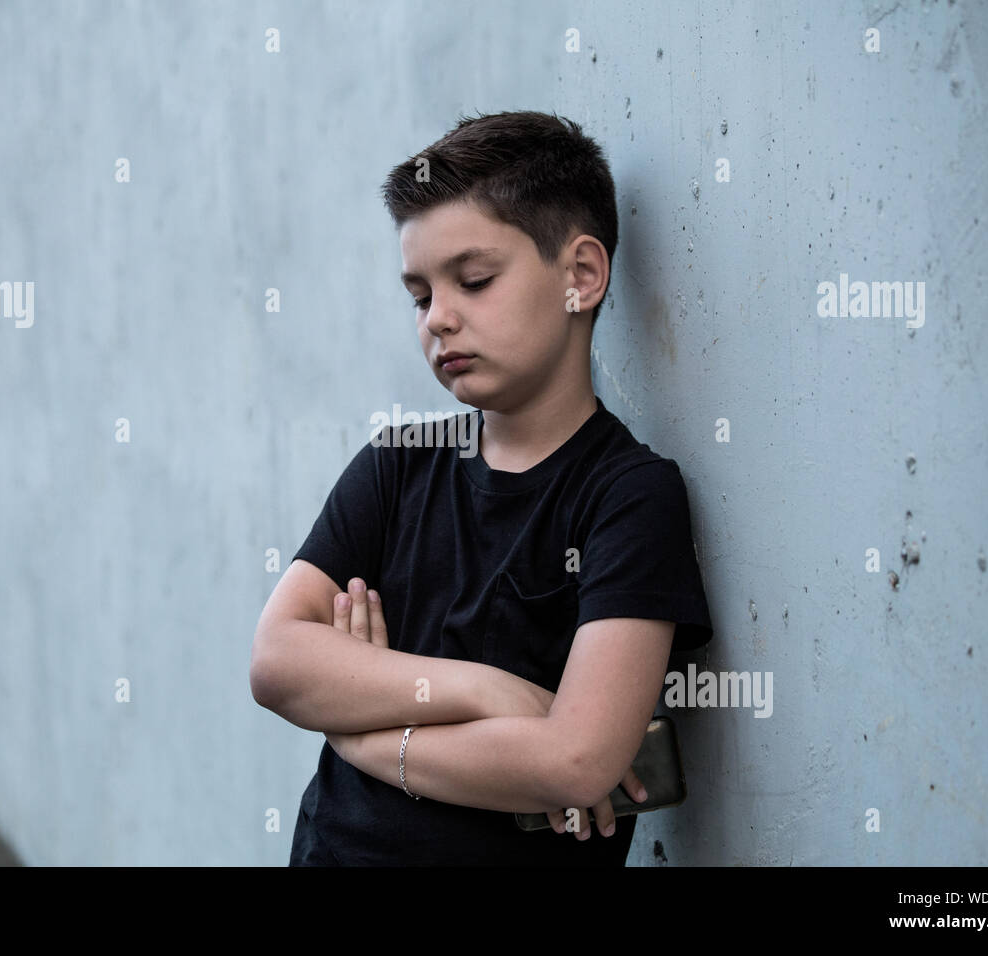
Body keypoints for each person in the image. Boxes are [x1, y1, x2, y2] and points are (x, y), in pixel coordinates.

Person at [249, 109, 714, 866]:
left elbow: (576, 763)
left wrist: (361, 728)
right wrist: (486, 693)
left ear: (580, 276)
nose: (439, 318)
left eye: (473, 280)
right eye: (419, 296)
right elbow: (276, 663)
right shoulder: (398, 465)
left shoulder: (628, 498)